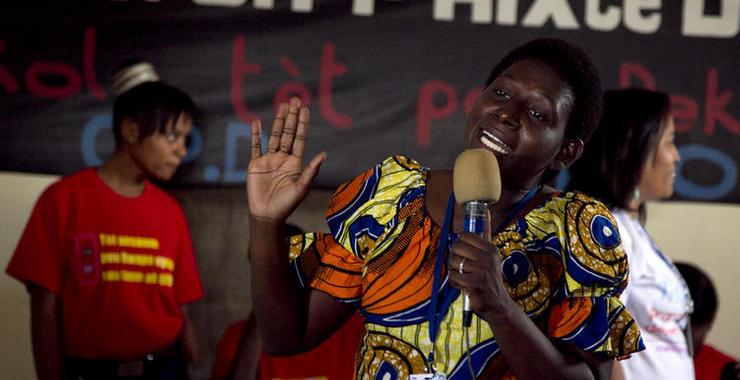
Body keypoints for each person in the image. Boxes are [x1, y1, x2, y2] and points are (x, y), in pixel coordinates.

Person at [246, 38, 645, 380]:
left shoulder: (576, 230)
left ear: (566, 151)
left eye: (538, 113)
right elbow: (286, 338)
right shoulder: (391, 196)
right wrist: (265, 222)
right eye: (501, 93)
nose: (507, 113)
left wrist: (500, 306)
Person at [6, 60, 204, 380]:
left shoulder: (170, 211)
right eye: (171, 137)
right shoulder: (62, 200)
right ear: (131, 130)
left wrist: (188, 352)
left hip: (164, 369)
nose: (181, 150)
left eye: (185, 139)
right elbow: (44, 308)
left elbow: (181, 305)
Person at [569, 88, 692, 380]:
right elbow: (595, 335)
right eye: (670, 142)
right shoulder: (606, 231)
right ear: (632, 148)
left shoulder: (630, 227)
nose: (676, 157)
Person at [210, 224, 366, 380]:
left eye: (294, 269)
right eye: (265, 275)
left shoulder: (353, 331)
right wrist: (259, 320)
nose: (279, 286)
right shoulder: (237, 338)